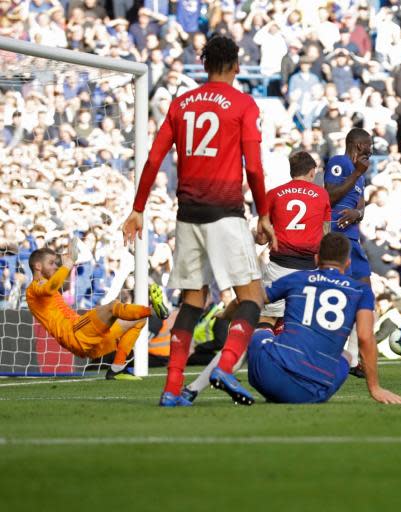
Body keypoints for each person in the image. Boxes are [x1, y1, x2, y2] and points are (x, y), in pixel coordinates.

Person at [122, 35, 275, 407]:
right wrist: (264, 213)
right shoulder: (242, 104)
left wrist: (138, 208)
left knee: (192, 301)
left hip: (187, 214)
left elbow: (154, 159)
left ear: (204, 66)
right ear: (237, 66)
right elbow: (253, 166)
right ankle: (224, 365)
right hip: (225, 212)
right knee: (252, 297)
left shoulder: (180, 104)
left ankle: (172, 388)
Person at [180, 151, 331, 403]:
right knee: (297, 334)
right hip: (308, 273)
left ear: (290, 170)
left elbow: (262, 237)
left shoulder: (274, 194)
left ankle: (195, 387)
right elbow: (326, 236)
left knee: (253, 328)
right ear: (313, 172)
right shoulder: (322, 195)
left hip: (278, 269)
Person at [246, 233, 401, 405]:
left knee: (260, 334)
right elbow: (365, 337)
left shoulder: (297, 278)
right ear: (348, 263)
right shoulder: (361, 290)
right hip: (307, 394)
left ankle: (226, 368)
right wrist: (374, 388)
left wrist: (227, 313)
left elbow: (254, 298)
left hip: (266, 377)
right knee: (346, 356)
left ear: (316, 259)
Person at [26, 238, 157, 381]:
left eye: (55, 264)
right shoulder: (33, 289)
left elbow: (54, 283)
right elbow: (49, 287)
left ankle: (117, 369)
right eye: (51, 263)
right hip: (75, 332)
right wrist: (69, 263)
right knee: (112, 307)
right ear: (38, 266)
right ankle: (153, 311)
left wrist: (67, 257)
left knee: (138, 320)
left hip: (86, 336)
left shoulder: (49, 285)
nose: (55, 267)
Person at [324, 128, 373, 378]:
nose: (371, 149)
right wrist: (356, 173)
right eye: (368, 145)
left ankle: (353, 358)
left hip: (353, 239)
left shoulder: (361, 173)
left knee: (363, 293)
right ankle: (330, 354)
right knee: (341, 294)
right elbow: (329, 197)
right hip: (337, 239)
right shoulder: (339, 163)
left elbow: (360, 204)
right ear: (357, 144)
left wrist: (358, 213)